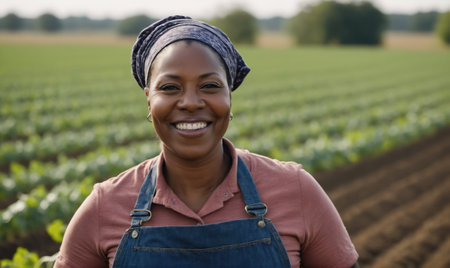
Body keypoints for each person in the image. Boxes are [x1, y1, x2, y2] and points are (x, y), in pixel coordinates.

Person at [55, 15, 359, 267]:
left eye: (210, 85)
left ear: (229, 96)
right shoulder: (104, 206)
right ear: (149, 100)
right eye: (170, 87)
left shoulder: (296, 190)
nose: (189, 102)